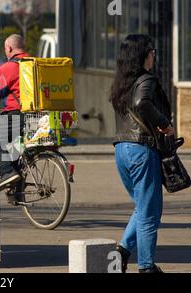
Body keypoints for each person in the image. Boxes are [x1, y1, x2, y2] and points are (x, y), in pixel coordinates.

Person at [110, 34, 174, 273]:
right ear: (142, 55)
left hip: (121, 150)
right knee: (149, 213)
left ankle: (122, 252)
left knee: (144, 206)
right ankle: (146, 267)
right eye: (151, 50)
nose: (154, 54)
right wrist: (164, 123)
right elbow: (142, 103)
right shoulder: (146, 80)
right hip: (141, 150)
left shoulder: (121, 83)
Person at [0, 34, 29, 188]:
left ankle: (6, 172)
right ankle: (17, 190)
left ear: (9, 48)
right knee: (15, 145)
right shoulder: (35, 63)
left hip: (16, 114)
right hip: (37, 117)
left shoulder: (8, 67)